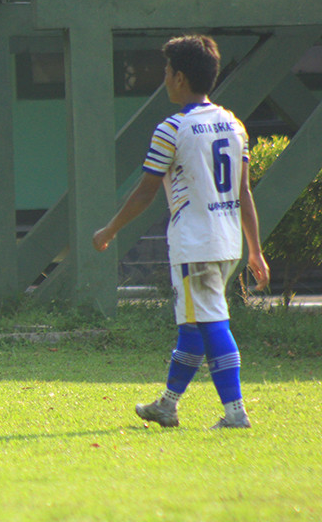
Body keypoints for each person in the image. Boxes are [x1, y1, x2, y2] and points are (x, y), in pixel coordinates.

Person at [93, 34, 270, 430]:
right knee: (192, 324)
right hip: (227, 242)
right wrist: (255, 250)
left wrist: (109, 230)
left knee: (212, 323)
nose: (164, 79)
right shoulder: (233, 124)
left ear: (179, 78)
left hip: (195, 244)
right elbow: (243, 192)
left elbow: (144, 192)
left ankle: (236, 412)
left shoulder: (173, 128)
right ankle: (168, 404)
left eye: (167, 72)